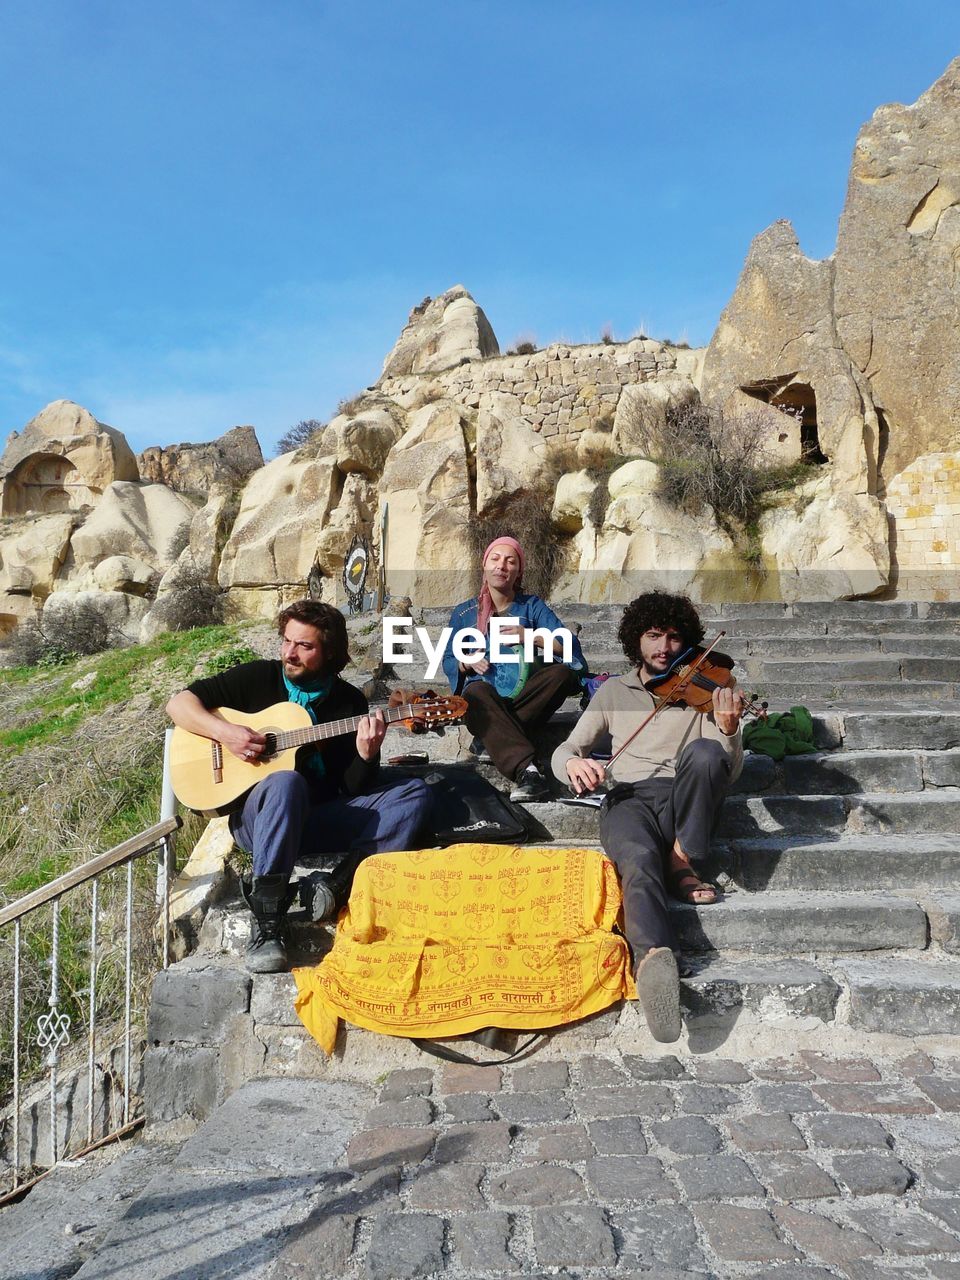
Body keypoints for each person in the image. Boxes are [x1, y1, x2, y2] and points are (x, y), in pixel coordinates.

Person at [166, 600, 432, 974]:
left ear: (330, 653)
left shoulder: (349, 703)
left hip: (315, 820)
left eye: (304, 646)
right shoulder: (259, 678)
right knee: (286, 781)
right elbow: (179, 704)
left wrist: (367, 755)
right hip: (258, 821)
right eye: (287, 641)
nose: (289, 653)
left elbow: (350, 788)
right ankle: (268, 922)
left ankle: (336, 887)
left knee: (415, 794)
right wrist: (227, 734)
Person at [551, 591, 744, 1043]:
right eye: (654, 635)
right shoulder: (615, 692)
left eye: (674, 638)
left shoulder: (707, 693)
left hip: (684, 798)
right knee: (636, 861)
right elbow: (566, 750)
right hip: (628, 799)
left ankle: (682, 857)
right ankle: (656, 959)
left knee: (704, 750)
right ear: (636, 639)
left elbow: (726, 771)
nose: (664, 647)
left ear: (688, 643)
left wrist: (731, 730)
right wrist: (574, 766)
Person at [441, 537, 586, 801]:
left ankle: (491, 736)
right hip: (482, 702)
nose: (502, 566)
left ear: (519, 570)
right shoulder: (464, 614)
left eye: (510, 561)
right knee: (476, 691)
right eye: (495, 559)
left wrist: (529, 636)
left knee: (561, 674)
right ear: (484, 565)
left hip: (523, 696)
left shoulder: (532, 607)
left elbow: (568, 646)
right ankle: (528, 771)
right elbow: (448, 657)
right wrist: (466, 661)